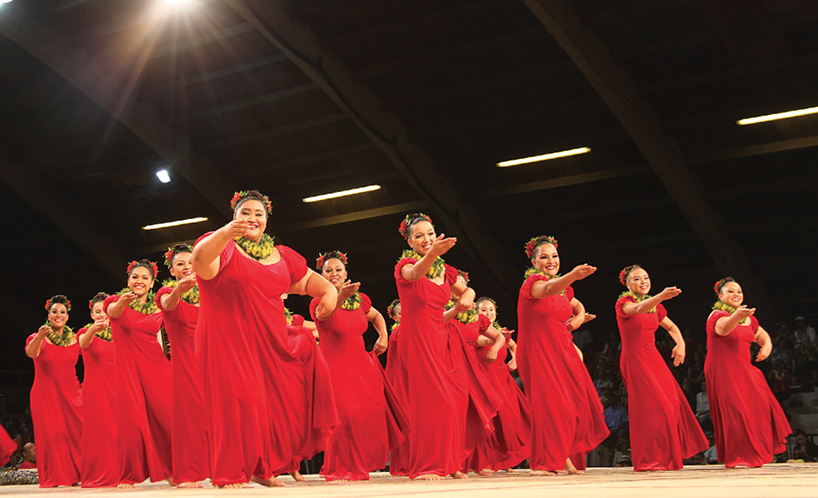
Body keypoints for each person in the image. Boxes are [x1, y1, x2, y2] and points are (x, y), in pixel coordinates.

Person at [191, 190, 339, 488]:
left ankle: (263, 466)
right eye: (245, 213)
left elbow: (307, 279)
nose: (252, 218)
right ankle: (230, 471)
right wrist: (224, 234)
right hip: (228, 339)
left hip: (271, 341)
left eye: (259, 213)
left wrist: (330, 292)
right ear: (234, 217)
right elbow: (200, 262)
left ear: (267, 220)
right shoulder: (224, 246)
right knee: (238, 402)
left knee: (276, 404)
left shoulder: (281, 254)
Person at [391, 212, 481, 480]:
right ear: (409, 242)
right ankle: (427, 465)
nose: (427, 239)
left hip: (442, 339)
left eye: (430, 233)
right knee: (432, 402)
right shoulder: (405, 266)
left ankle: (449, 461)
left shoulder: (445, 270)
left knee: (454, 400)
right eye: (419, 236)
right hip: (417, 340)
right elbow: (416, 272)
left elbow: (467, 290)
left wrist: (466, 296)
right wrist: (433, 254)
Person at [310, 251, 407, 481]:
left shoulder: (359, 299)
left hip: (361, 365)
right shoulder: (318, 299)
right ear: (320, 275)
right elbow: (323, 315)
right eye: (328, 270)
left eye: (338, 269)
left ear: (346, 274)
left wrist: (383, 335)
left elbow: (376, 316)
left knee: (368, 413)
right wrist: (340, 296)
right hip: (335, 367)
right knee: (346, 415)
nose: (334, 273)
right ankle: (340, 466)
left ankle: (360, 462)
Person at [516, 235, 608, 475]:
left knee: (574, 403)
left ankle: (563, 456)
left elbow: (576, 305)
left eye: (554, 256)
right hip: (538, 351)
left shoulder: (564, 289)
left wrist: (578, 319)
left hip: (562, 348)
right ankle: (544, 461)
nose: (550, 261)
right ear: (534, 262)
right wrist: (573, 276)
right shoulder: (532, 284)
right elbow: (547, 289)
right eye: (544, 257)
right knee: (551, 406)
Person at [614, 265, 708, 471]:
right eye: (637, 279)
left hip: (653, 358)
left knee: (672, 404)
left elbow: (672, 327)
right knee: (653, 408)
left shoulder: (655, 306)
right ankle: (650, 458)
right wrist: (661, 296)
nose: (643, 281)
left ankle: (667, 457)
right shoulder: (624, 303)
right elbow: (638, 309)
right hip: (635, 358)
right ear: (628, 284)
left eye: (646, 277)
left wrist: (680, 343)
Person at [705, 277, 791, 468]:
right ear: (720, 296)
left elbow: (760, 334)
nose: (736, 295)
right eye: (730, 291)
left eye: (739, 292)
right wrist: (737, 315)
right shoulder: (716, 315)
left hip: (745, 369)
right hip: (723, 371)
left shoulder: (748, 318)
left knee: (760, 406)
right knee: (736, 411)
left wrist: (767, 346)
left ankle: (757, 453)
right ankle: (738, 456)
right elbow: (723, 330)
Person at [104, 260, 173, 487]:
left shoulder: (157, 308)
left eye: (145, 278)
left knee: (166, 417)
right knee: (131, 423)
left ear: (152, 283)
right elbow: (113, 313)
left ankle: (173, 470)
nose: (139, 281)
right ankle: (129, 475)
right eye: (135, 277)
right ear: (128, 280)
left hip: (156, 366)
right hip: (128, 371)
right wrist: (123, 303)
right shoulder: (116, 302)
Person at [156, 244, 209, 488]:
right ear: (172, 269)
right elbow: (167, 304)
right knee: (190, 416)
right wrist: (178, 291)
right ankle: (188, 472)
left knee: (215, 413)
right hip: (185, 362)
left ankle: (219, 467)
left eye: (190, 262)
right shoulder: (167, 291)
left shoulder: (208, 288)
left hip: (211, 358)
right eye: (180, 264)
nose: (187, 267)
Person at [24, 295, 82, 487]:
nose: (59, 315)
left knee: (75, 433)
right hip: (45, 395)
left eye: (62, 312)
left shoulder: (75, 340)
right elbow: (31, 353)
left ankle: (75, 476)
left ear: (67, 316)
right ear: (48, 315)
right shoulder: (37, 337)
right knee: (51, 436)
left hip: (72, 395)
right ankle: (53, 479)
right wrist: (40, 335)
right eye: (54, 312)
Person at [472, 296, 531, 473]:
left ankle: (505, 461)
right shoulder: (475, 331)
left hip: (503, 380)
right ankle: (484, 463)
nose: (488, 313)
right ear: (477, 314)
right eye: (484, 310)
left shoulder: (501, 331)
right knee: (489, 421)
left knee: (509, 420)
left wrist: (515, 360)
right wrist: (499, 339)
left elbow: (515, 346)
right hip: (485, 380)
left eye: (491, 310)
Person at [77, 292, 117, 487]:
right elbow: (83, 344)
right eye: (97, 312)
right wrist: (93, 329)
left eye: (105, 311)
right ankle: (97, 474)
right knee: (99, 431)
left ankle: (120, 472)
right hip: (96, 389)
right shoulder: (85, 332)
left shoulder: (118, 332)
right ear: (92, 314)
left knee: (117, 430)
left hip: (117, 387)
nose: (102, 315)